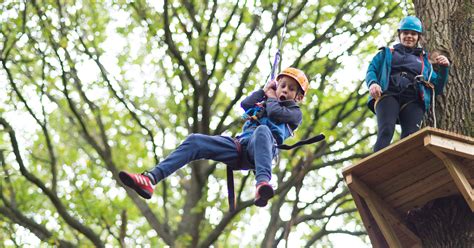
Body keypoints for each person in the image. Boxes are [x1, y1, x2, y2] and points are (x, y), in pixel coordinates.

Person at [119, 67, 309, 207]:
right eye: (282, 85)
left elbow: (275, 113)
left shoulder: (294, 113)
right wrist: (264, 91)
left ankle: (262, 184)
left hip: (260, 151)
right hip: (240, 145)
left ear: (298, 97)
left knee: (262, 131)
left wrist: (271, 96)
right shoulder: (268, 98)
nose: (284, 90)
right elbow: (246, 104)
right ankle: (151, 178)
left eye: (291, 89)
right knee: (195, 141)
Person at [366, 16, 450, 152]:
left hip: (413, 99)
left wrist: (444, 69)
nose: (409, 36)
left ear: (418, 37)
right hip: (388, 94)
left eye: (413, 34)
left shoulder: (425, 62)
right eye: (406, 33)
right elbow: (372, 70)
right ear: (400, 34)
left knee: (411, 137)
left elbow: (437, 89)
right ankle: (374, 170)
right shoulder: (387, 53)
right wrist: (373, 83)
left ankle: (404, 170)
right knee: (386, 129)